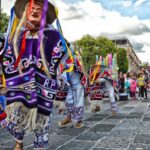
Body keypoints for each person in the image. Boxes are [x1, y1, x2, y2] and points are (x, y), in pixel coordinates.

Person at [1, 0, 75, 149]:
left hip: (44, 87)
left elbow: (66, 52)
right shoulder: (16, 35)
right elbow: (6, 52)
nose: (34, 11)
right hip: (20, 86)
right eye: (31, 9)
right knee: (16, 115)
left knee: (42, 120)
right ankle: (18, 141)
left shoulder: (53, 36)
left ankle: (40, 145)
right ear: (25, 13)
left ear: (44, 14)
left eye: (39, 9)